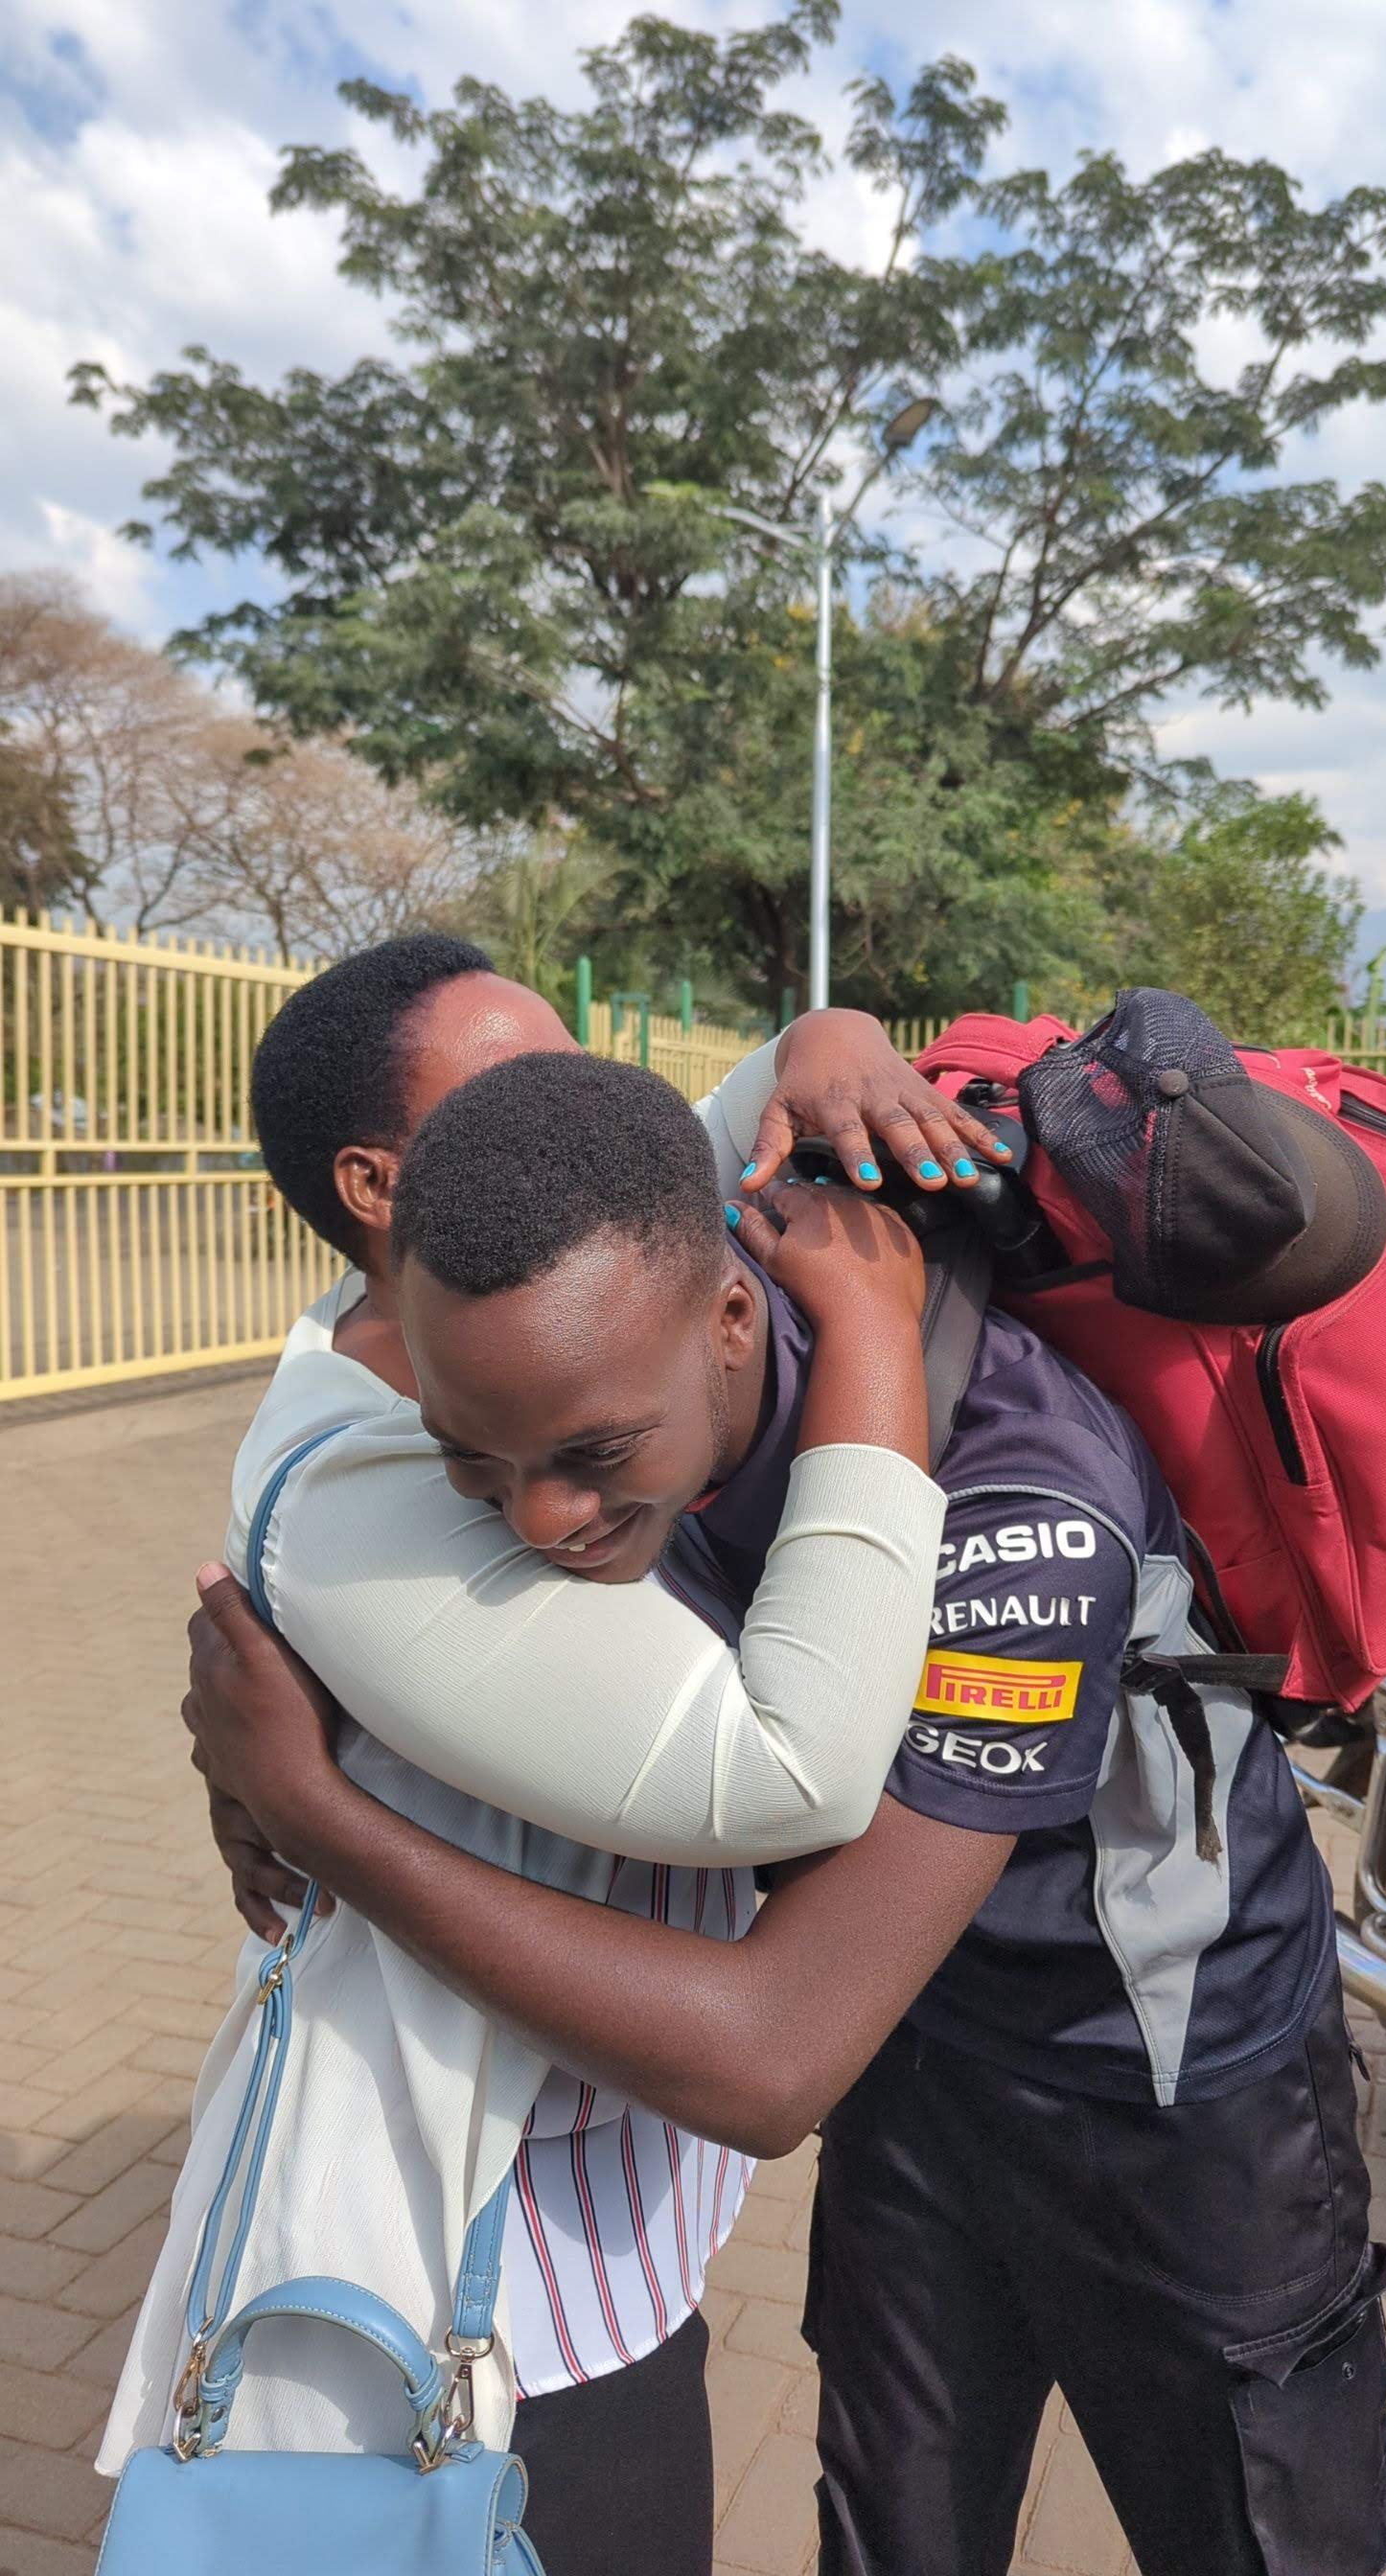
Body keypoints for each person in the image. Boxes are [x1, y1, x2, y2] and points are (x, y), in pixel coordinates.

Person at [187, 1047, 1386, 2576]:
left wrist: (322, 1815)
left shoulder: (1022, 1508)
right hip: (918, 2057)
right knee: (895, 2530)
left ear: (729, 1321)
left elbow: (771, 2059)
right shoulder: (615, 1355)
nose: (539, 1521)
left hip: (1168, 2092)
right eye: (471, 1461)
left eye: (591, 1459)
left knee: (1254, 2531)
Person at [104, 932, 1005, 2576]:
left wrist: (827, 1027)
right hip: (491, 2284)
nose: (586, 1117)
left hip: (607, 2198)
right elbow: (788, 1771)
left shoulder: (495, 1315)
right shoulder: (368, 1480)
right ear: (384, 1185)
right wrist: (873, 1334)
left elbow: (693, 1136)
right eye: (516, 1090)